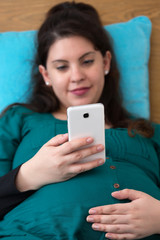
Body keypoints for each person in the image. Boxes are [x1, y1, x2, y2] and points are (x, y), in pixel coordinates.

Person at [0, 1, 160, 239]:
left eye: (87, 61)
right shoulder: (19, 119)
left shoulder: (150, 131)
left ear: (105, 62)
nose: (77, 77)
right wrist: (28, 175)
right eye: (62, 67)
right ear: (46, 75)